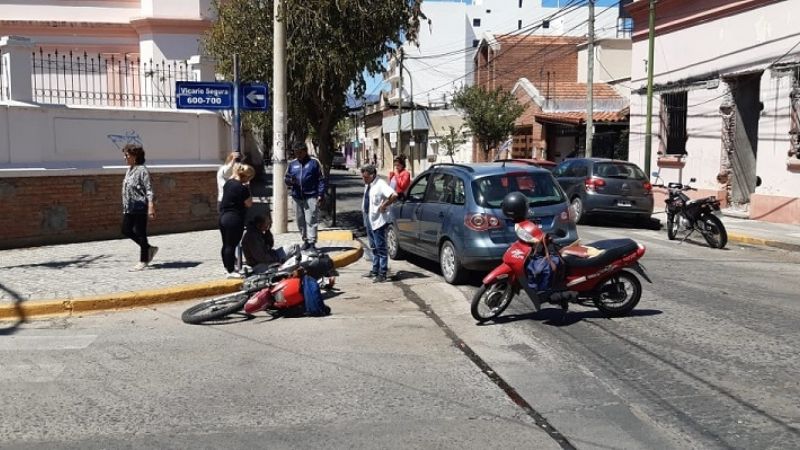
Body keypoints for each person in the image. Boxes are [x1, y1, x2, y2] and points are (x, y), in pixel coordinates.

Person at [121, 144, 158, 272]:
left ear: (135, 156)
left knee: (141, 232)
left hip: (140, 206)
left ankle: (143, 260)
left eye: (127, 155)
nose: (124, 157)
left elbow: (149, 189)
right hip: (129, 207)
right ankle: (148, 248)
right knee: (125, 230)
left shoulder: (142, 170)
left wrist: (151, 206)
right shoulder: (130, 169)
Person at [284, 142, 326, 251]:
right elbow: (286, 179)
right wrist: (290, 181)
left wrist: (320, 194)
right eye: (296, 153)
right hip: (296, 197)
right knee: (299, 220)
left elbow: (321, 179)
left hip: (311, 196)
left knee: (311, 220)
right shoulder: (292, 164)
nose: (297, 155)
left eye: (299, 153)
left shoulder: (314, 163)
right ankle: (305, 240)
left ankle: (312, 243)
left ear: (305, 151)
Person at [360, 164, 398, 283]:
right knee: (373, 246)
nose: (364, 179)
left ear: (372, 175)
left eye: (365, 177)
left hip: (378, 220)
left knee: (380, 247)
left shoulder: (380, 184)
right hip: (369, 218)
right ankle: (375, 270)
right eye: (363, 177)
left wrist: (384, 205)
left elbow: (394, 195)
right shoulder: (369, 184)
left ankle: (382, 272)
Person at [219, 163, 255, 278]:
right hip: (234, 218)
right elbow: (249, 204)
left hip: (223, 216)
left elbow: (232, 177)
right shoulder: (242, 188)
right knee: (231, 245)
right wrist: (248, 188)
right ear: (246, 177)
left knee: (225, 244)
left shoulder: (228, 183)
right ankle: (230, 271)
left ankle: (227, 266)